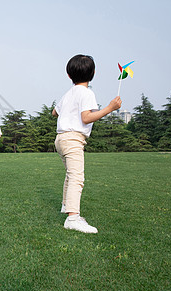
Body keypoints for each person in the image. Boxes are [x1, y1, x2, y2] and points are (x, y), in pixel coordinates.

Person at [52, 54, 122, 234]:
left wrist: (67, 111)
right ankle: (72, 218)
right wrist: (110, 108)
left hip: (60, 139)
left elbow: (54, 112)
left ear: (69, 76)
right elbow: (86, 117)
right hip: (73, 139)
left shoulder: (69, 93)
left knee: (70, 174)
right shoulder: (87, 92)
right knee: (77, 177)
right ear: (93, 73)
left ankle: (66, 205)